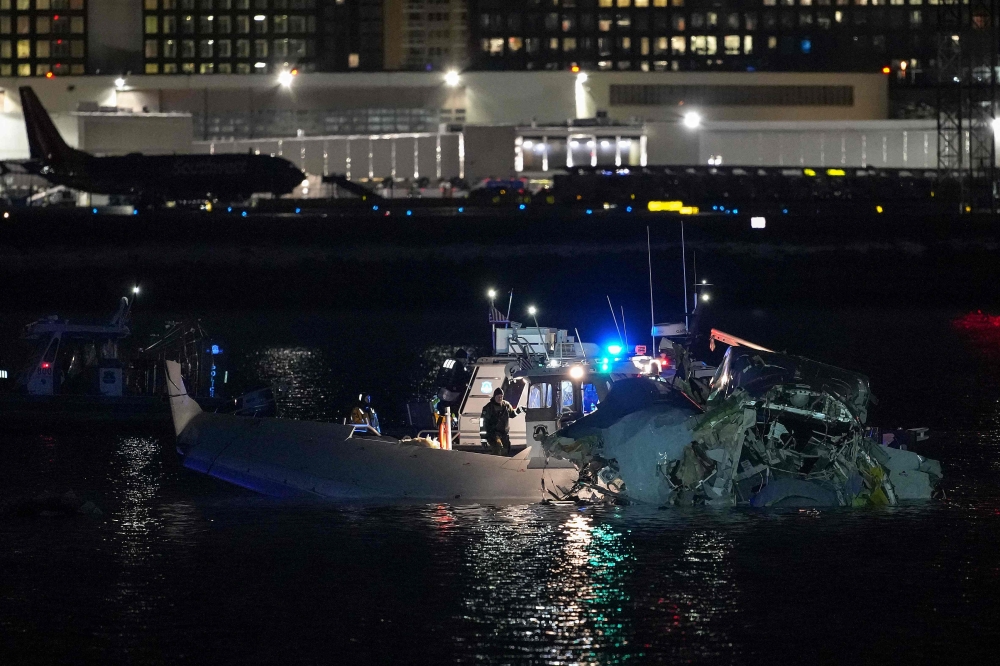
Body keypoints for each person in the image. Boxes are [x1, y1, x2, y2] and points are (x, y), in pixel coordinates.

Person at [480, 387, 521, 456]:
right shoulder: (488, 408)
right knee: (498, 448)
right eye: (498, 396)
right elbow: (482, 424)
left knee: (506, 451)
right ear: (494, 397)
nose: (500, 398)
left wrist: (519, 410)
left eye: (501, 397)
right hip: (493, 434)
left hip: (504, 434)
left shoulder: (506, 405)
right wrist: (483, 439)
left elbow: (512, 414)